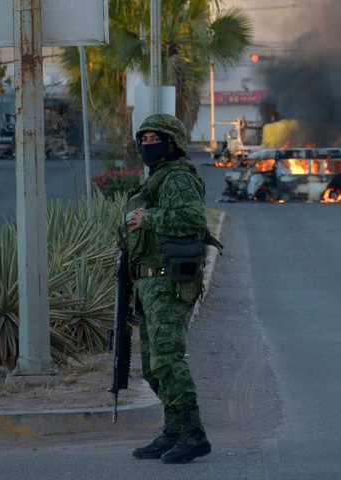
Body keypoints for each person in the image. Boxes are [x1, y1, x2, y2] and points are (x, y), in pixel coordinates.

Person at [122, 113, 211, 464]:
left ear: (171, 142)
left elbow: (193, 218)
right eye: (142, 139)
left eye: (153, 138)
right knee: (152, 366)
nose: (147, 144)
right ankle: (174, 430)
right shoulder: (155, 179)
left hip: (170, 282)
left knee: (168, 361)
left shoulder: (176, 178)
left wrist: (149, 218)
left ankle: (194, 434)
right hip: (150, 282)